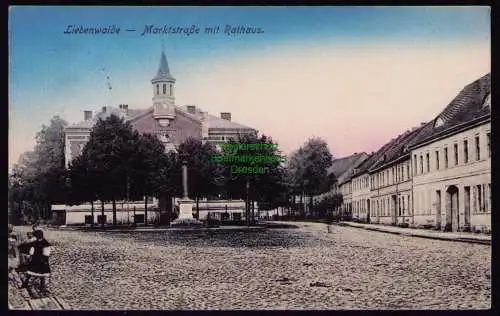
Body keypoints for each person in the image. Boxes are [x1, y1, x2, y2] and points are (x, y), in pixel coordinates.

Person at [20, 230, 52, 294]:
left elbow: (46, 254)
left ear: (37, 236)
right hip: (36, 260)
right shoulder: (37, 243)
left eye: (35, 236)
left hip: (41, 261)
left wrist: (42, 259)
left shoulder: (45, 244)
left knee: (40, 274)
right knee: (34, 273)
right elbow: (31, 251)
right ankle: (27, 285)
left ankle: (42, 288)